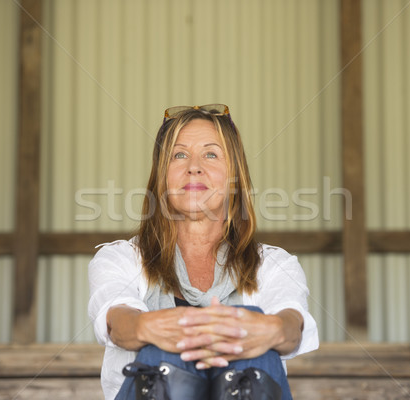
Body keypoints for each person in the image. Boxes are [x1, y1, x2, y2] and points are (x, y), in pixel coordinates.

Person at [88, 104, 319, 399]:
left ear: (234, 174)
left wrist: (270, 329)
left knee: (254, 349)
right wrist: (151, 328)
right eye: (179, 154)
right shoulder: (119, 258)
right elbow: (117, 321)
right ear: (162, 176)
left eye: (210, 154)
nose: (193, 166)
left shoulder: (274, 264)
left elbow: (291, 324)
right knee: (161, 346)